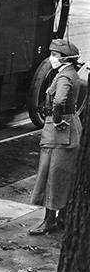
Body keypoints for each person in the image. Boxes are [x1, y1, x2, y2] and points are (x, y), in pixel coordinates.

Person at [29, 40, 83, 235]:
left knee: (52, 176)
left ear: (65, 58)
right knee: (63, 176)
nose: (51, 58)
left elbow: (59, 101)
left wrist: (58, 120)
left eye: (54, 55)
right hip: (69, 130)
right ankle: (62, 218)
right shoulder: (71, 73)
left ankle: (49, 221)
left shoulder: (64, 76)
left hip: (60, 133)